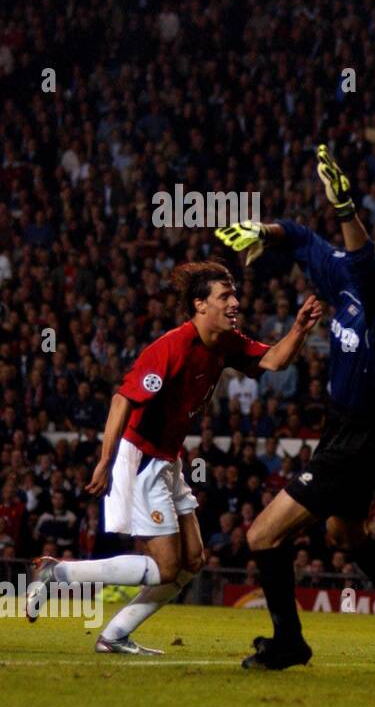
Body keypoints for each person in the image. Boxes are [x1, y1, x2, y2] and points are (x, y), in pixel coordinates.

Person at [215, 144, 375, 672]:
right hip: (344, 429)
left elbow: (361, 270)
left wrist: (345, 210)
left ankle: (289, 643)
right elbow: (300, 237)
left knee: (262, 535)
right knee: (346, 534)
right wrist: (263, 232)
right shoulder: (347, 276)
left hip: (360, 438)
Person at [25, 262, 320, 654]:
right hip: (141, 457)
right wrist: (104, 460)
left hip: (168, 459)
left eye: (234, 295)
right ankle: (56, 572)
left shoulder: (227, 342)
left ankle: (114, 637)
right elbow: (122, 400)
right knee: (165, 567)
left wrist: (299, 329)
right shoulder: (172, 347)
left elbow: (274, 361)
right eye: (224, 297)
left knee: (193, 560)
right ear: (200, 304)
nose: (235, 302)